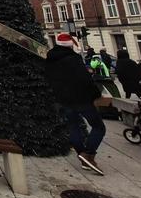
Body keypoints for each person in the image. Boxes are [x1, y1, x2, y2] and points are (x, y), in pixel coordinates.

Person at [44, 33, 105, 176]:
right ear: (71, 44)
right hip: (81, 98)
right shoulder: (73, 59)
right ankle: (89, 153)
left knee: (73, 126)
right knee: (98, 127)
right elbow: (84, 79)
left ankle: (83, 156)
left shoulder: (50, 58)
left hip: (63, 99)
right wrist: (96, 94)